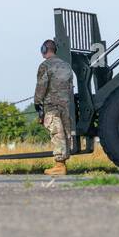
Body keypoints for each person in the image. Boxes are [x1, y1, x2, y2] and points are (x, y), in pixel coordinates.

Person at [34, 39, 75, 175]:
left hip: (51, 106)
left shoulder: (45, 66)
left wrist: (38, 105)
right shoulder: (66, 66)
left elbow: (41, 87)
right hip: (65, 104)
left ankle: (59, 165)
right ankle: (62, 163)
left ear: (44, 50)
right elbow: (70, 87)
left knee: (57, 133)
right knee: (65, 132)